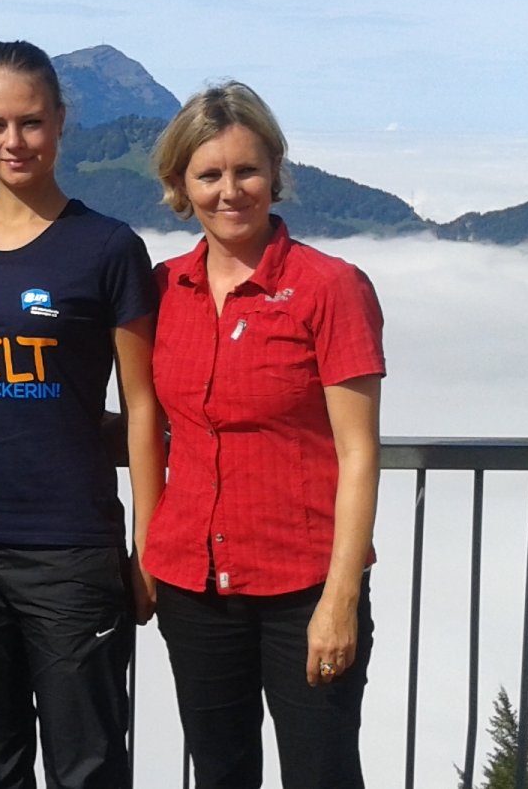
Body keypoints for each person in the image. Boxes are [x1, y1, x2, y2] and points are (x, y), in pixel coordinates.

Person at [0, 40, 163, 789]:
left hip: (71, 552)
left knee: (89, 764)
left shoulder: (109, 249)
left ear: (60, 123)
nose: (13, 142)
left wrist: (149, 547)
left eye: (31, 123)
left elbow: (141, 407)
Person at [141, 81, 385, 789]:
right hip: (193, 584)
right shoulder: (163, 291)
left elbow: (359, 450)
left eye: (246, 171)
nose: (230, 191)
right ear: (180, 184)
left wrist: (340, 599)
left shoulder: (329, 288)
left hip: (303, 585)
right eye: (208, 174)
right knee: (220, 774)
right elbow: (152, 427)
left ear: (275, 173)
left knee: (322, 773)